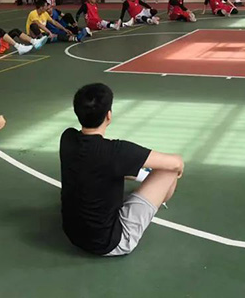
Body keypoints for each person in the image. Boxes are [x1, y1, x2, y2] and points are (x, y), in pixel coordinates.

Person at [60, 83, 183, 256]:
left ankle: (143, 177)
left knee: (104, 167)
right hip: (111, 243)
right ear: (108, 115)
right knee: (169, 170)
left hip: (73, 234)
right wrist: (176, 172)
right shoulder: (116, 152)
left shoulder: (67, 138)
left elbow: (99, 161)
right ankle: (159, 201)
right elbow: (176, 163)